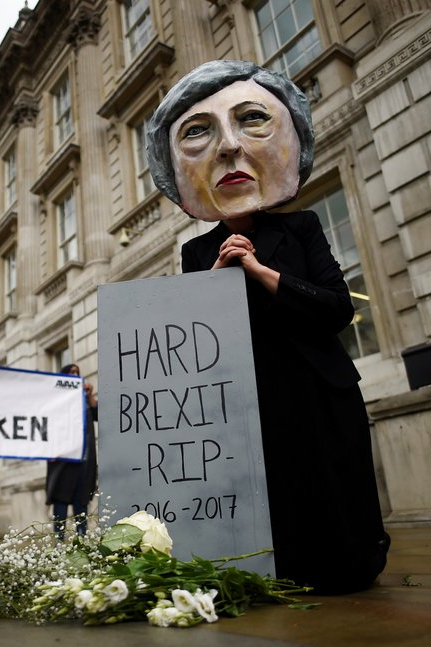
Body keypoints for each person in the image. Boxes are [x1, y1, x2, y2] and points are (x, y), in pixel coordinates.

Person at [146, 60, 389, 594]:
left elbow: (335, 308)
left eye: (251, 121)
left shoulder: (301, 226)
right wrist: (217, 273)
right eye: (198, 134)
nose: (229, 150)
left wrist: (259, 269)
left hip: (316, 388)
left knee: (331, 485)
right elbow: (190, 340)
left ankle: (348, 566)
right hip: (251, 398)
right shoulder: (196, 251)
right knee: (275, 493)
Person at [45, 364, 98, 539]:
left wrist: (89, 395)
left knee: (81, 502)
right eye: (71, 372)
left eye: (77, 373)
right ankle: (59, 543)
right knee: (60, 502)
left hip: (84, 461)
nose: (75, 375)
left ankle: (81, 542)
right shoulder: (56, 400)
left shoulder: (84, 400)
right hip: (63, 461)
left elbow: (99, 414)